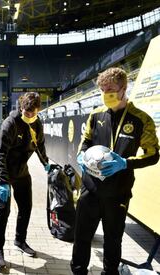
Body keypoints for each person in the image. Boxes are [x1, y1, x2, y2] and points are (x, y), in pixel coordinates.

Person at [71, 67, 159, 275]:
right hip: (90, 190)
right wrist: (81, 157)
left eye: (110, 89)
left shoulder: (141, 119)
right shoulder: (95, 115)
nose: (105, 94)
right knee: (82, 238)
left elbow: (153, 155)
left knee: (113, 241)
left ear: (123, 89)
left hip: (117, 193)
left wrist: (125, 163)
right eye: (102, 90)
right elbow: (84, 144)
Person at [0, 92, 50, 268]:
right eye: (26, 112)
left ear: (38, 110)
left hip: (22, 172)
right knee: (3, 211)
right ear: (21, 107)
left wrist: (46, 163)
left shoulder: (37, 124)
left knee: (26, 207)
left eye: (33, 113)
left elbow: (40, 145)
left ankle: (20, 241)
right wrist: (1, 181)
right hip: (4, 173)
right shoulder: (10, 124)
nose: (29, 115)